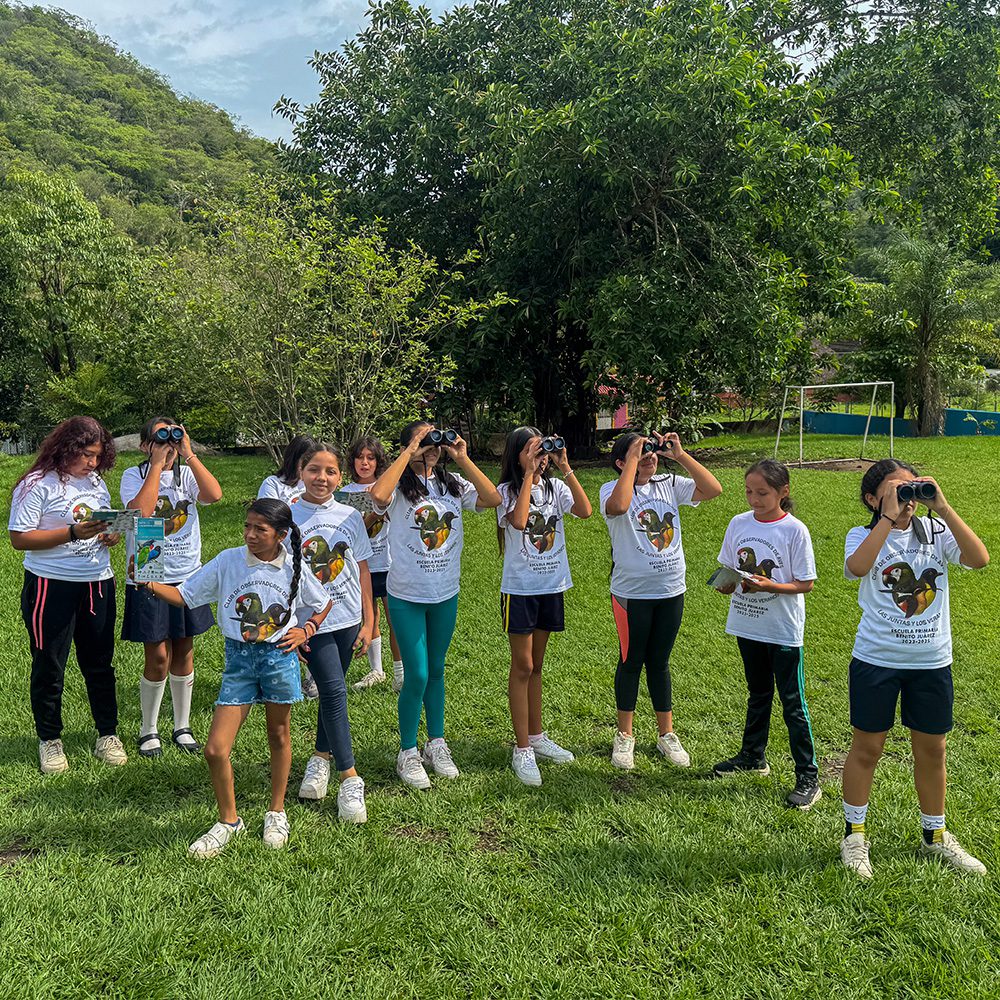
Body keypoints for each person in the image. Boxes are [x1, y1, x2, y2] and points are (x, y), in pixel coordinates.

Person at [141, 499, 331, 858]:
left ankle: (276, 811)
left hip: (279, 659)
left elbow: (322, 603)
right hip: (239, 662)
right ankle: (229, 821)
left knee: (279, 735)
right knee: (215, 749)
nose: (250, 534)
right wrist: (148, 582)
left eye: (260, 529)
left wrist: (306, 630)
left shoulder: (294, 566)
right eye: (247, 526)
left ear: (281, 535)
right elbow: (184, 595)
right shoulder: (229, 560)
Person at [839, 459, 989, 879]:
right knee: (867, 748)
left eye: (911, 489)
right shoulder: (862, 535)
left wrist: (942, 507)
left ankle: (935, 835)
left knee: (933, 749)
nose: (907, 498)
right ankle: (854, 836)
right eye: (896, 490)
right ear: (872, 499)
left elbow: (979, 559)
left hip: (931, 661)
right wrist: (888, 518)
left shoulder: (935, 532)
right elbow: (858, 567)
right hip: (876, 659)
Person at [370, 422, 500, 789]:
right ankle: (407, 751)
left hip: (445, 592)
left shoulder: (452, 483)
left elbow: (492, 499)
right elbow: (377, 496)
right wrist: (409, 452)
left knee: (437, 669)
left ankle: (436, 742)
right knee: (418, 674)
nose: (432, 447)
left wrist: (462, 457)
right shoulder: (398, 486)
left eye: (435, 440)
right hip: (406, 594)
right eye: (424, 440)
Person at [7, 416, 127, 773]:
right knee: (50, 663)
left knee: (100, 663)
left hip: (97, 581)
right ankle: (50, 740)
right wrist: (72, 533)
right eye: (86, 454)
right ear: (66, 448)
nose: (93, 462)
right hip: (51, 584)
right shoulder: (36, 484)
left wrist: (112, 533)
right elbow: (19, 538)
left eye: (98, 456)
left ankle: (107, 734)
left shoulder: (96, 482)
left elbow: (107, 523)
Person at [600, 431, 722, 771]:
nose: (649, 456)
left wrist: (679, 456)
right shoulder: (611, 489)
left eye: (650, 450)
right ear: (621, 462)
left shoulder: (669, 484)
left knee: (660, 661)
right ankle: (625, 735)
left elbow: (713, 489)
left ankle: (666, 733)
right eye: (640, 453)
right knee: (631, 661)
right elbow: (619, 507)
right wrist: (633, 462)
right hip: (631, 594)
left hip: (670, 590)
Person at [712, 459, 820, 810]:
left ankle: (808, 776)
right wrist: (726, 585)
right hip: (748, 624)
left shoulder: (794, 530)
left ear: (783, 492)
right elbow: (729, 568)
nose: (754, 499)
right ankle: (752, 756)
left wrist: (770, 585)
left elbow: (805, 583)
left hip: (782, 630)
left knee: (793, 703)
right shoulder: (738, 523)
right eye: (749, 492)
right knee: (758, 693)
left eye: (762, 493)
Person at [121, 417, 223, 758]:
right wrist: (156, 466)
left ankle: (182, 725)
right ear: (144, 445)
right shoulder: (134, 475)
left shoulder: (187, 475)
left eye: (172, 437)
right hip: (150, 571)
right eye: (159, 438)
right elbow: (141, 512)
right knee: (158, 655)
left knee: (184, 650)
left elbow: (214, 495)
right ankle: (148, 728)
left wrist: (188, 453)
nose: (168, 444)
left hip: (187, 574)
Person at [497, 427, 591, 786]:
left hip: (551, 586)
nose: (541, 457)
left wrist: (564, 466)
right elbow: (520, 521)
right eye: (533, 451)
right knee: (522, 665)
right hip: (520, 590)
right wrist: (527, 476)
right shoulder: (507, 491)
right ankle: (522, 747)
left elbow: (585, 511)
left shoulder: (556, 488)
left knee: (537, 666)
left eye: (543, 450)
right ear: (517, 455)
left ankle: (536, 736)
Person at [291, 442, 373, 822]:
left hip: (349, 618)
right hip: (312, 623)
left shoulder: (350, 515)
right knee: (335, 692)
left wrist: (369, 621)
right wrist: (292, 626)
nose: (321, 478)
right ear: (301, 472)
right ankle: (349, 778)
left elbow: (363, 569)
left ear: (340, 477)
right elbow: (280, 573)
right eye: (314, 469)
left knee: (330, 691)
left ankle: (319, 758)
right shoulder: (288, 516)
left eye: (330, 471)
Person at [340, 436, 403, 692]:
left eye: (370, 458)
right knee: (370, 616)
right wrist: (373, 514)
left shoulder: (388, 487)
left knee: (394, 618)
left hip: (388, 563)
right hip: (361, 565)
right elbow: (350, 530)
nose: (364, 463)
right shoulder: (345, 493)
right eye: (360, 457)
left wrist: (380, 507)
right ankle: (376, 670)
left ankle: (400, 673)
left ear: (379, 461)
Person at [258, 434, 318, 698]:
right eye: (307, 460)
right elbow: (268, 518)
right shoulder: (274, 484)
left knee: (309, 614)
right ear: (295, 458)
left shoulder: (314, 483)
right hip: (282, 559)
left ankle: (311, 674)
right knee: (281, 616)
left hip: (311, 556)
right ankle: (275, 673)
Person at [257, 435, 314, 505]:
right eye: (305, 459)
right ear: (293, 458)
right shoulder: (273, 483)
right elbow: (268, 511)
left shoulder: (315, 484)